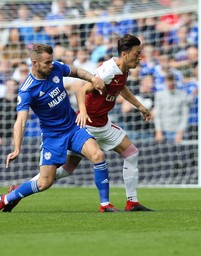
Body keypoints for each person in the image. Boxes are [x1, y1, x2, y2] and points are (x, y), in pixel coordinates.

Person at [0, 43, 116, 213]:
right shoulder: (27, 90)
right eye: (47, 62)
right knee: (45, 182)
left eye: (51, 61)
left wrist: (92, 78)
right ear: (34, 63)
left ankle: (105, 205)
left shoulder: (56, 69)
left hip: (73, 127)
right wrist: (17, 148)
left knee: (98, 155)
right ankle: (8, 198)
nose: (51, 65)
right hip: (53, 136)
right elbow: (21, 121)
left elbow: (76, 71)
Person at [30, 34, 153, 211]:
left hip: (103, 124)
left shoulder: (123, 69)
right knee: (66, 169)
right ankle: (28, 186)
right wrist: (84, 112)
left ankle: (132, 202)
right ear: (125, 54)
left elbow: (121, 88)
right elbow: (81, 91)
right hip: (87, 125)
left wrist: (139, 106)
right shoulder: (108, 70)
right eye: (136, 53)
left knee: (131, 153)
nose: (139, 57)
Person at [154, 72, 188, 144]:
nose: (170, 83)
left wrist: (180, 132)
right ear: (165, 82)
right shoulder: (159, 95)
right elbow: (157, 115)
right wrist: (158, 131)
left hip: (177, 132)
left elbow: (185, 115)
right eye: (168, 80)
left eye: (172, 80)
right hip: (163, 132)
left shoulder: (182, 94)